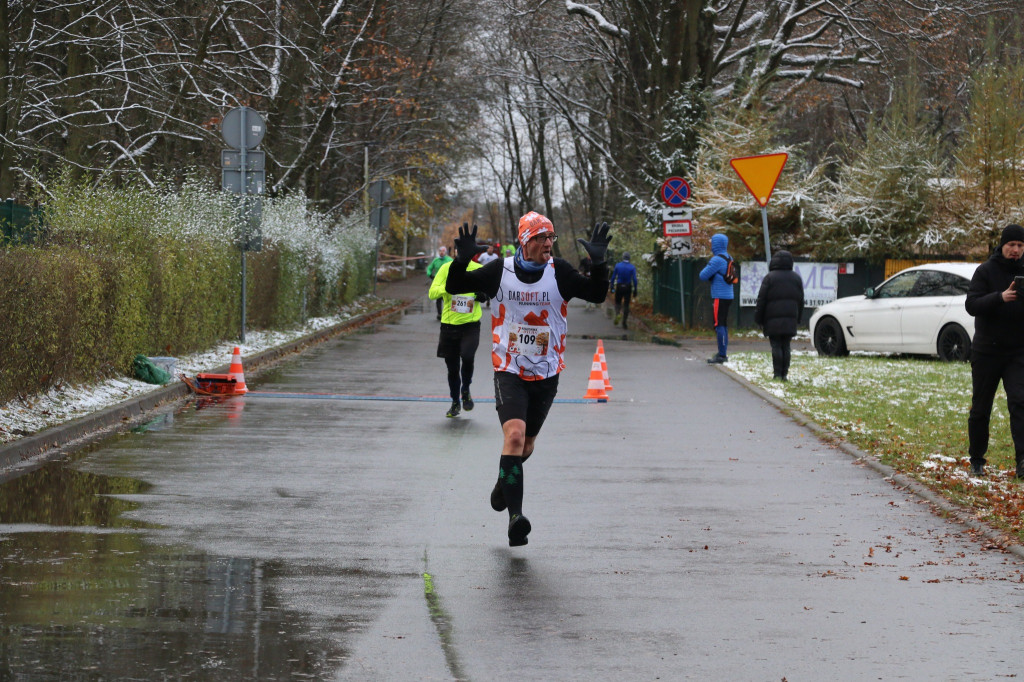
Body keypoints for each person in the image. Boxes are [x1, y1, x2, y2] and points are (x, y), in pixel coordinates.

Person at [446, 212, 611, 546]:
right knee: (516, 436)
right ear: (525, 241)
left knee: (527, 444)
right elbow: (455, 286)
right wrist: (461, 260)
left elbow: (596, 294)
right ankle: (515, 519)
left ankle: (503, 482)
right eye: (540, 238)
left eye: (551, 237)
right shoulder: (499, 272)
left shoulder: (559, 272)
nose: (548, 244)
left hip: (547, 374)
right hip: (508, 369)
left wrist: (599, 263)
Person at [965, 223, 1024, 479]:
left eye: (1021, 246)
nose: (1016, 250)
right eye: (1012, 245)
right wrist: (1000, 297)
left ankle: (1022, 462)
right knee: (981, 408)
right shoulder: (985, 271)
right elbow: (972, 304)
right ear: (1002, 245)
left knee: (1020, 404)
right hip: (987, 352)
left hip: (1017, 353)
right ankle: (977, 459)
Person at [428, 258, 485, 418]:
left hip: (470, 324)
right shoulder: (446, 268)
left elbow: (491, 289)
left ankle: (465, 390)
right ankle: (455, 402)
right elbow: (432, 293)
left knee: (467, 356)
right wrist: (448, 289)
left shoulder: (479, 269)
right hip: (448, 326)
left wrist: (483, 294)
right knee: (452, 369)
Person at [753, 250, 804, 381]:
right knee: (786, 346)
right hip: (790, 318)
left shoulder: (770, 278)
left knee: (776, 345)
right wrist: (798, 318)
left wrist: (758, 318)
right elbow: (800, 300)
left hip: (772, 319)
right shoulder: (796, 278)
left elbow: (761, 299)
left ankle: (777, 374)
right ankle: (784, 374)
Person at [699, 233, 736, 364]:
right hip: (728, 295)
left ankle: (721, 354)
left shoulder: (716, 260)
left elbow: (703, 275)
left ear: (716, 244)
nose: (710, 245)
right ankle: (722, 352)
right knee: (723, 325)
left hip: (720, 296)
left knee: (719, 324)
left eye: (712, 243)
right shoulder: (728, 257)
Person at [609, 252, 638, 329]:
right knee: (626, 304)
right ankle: (624, 321)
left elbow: (613, 277)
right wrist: (635, 289)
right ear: (629, 258)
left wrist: (611, 286)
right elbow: (634, 279)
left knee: (618, 302)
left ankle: (618, 313)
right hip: (628, 287)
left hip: (619, 286)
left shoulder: (618, 265)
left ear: (623, 257)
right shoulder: (632, 267)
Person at [426, 246, 452, 320]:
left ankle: (447, 313)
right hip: (438, 282)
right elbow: (429, 268)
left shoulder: (449, 260)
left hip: (447, 282)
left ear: (445, 252)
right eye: (440, 251)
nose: (442, 252)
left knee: (447, 298)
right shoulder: (436, 260)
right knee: (438, 298)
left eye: (443, 251)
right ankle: (439, 314)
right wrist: (430, 275)